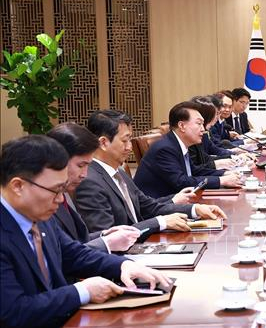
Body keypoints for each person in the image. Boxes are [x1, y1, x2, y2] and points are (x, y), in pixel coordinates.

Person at [0, 135, 171, 327]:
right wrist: (82, 291)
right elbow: (13, 312)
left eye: (63, 189)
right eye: (55, 190)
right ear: (18, 186)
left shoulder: (36, 213)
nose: (60, 199)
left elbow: (73, 254)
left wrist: (123, 265)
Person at [76, 109, 226, 234]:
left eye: (130, 140)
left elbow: (149, 207)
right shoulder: (89, 181)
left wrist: (195, 209)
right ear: (103, 143)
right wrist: (160, 222)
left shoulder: (118, 172)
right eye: (124, 140)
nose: (129, 147)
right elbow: (109, 236)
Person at [46, 122, 140, 253]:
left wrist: (104, 235)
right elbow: (60, 254)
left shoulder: (62, 193)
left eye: (87, 166)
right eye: (80, 165)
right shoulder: (42, 200)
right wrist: (106, 243)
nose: (84, 174)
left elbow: (75, 241)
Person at [134, 101, 243, 200]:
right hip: (159, 206)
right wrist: (221, 181)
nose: (203, 129)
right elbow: (181, 182)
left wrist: (225, 173)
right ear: (182, 126)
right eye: (199, 123)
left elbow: (194, 171)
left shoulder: (177, 144)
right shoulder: (165, 149)